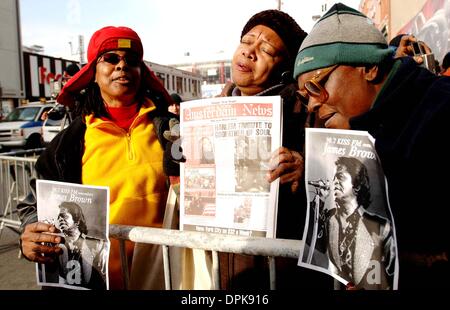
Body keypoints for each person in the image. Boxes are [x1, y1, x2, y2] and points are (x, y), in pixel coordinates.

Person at [294, 3, 449, 288]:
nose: (314, 104)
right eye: (305, 97)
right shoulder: (352, 132)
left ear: (368, 67)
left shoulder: (440, 112)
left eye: (317, 85)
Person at [19, 26, 177, 289]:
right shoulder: (68, 144)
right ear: (93, 72)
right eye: (111, 58)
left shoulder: (173, 131)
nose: (122, 66)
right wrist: (30, 233)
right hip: (97, 281)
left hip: (167, 279)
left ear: (141, 71)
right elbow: (31, 205)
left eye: (132, 60)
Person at [214, 9, 333, 289]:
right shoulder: (213, 110)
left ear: (285, 69)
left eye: (266, 49)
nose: (249, 53)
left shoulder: (307, 112)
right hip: (231, 266)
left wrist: (306, 170)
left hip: (287, 271)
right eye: (247, 41)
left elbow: (342, 183)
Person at [309, 157, 394, 289]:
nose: (334, 182)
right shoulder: (329, 218)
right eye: (334, 178)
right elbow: (314, 247)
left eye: (340, 177)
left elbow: (392, 277)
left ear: (357, 185)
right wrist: (319, 201)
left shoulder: (382, 227)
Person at [47, 201, 107, 289]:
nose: (60, 219)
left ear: (77, 220)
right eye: (59, 217)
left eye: (64, 216)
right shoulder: (57, 245)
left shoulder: (97, 245)